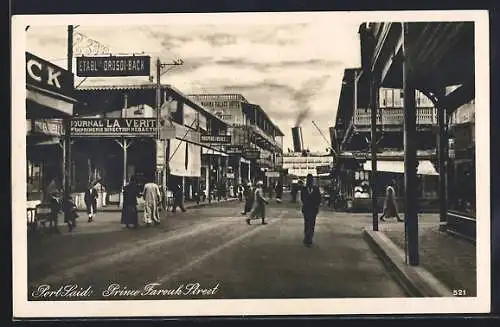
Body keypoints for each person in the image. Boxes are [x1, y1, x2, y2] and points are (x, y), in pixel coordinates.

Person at [300, 174, 322, 247]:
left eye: (311, 180)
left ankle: (310, 237)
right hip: (306, 209)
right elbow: (302, 198)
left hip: (313, 209)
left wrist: (316, 206)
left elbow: (319, 198)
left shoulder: (316, 189)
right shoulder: (304, 189)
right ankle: (307, 237)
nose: (310, 181)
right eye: (309, 180)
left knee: (312, 223)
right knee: (307, 223)